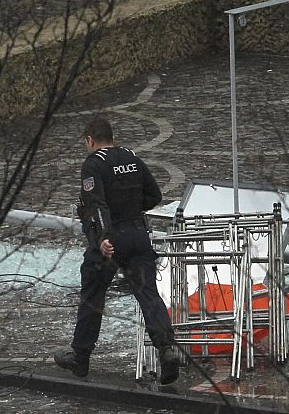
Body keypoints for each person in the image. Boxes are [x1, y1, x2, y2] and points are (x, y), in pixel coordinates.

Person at [54, 116, 179, 385]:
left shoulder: (93, 164)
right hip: (137, 233)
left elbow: (96, 204)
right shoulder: (131, 157)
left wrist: (103, 237)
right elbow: (155, 195)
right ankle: (167, 350)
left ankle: (81, 357)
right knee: (148, 294)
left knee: (93, 293)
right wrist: (132, 209)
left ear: (90, 140)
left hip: (111, 240)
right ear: (114, 137)